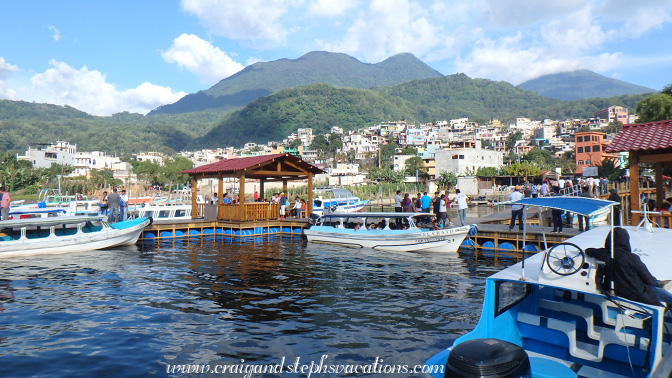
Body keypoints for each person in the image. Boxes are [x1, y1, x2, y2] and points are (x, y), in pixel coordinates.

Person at [586, 227, 672, 307]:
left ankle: (658, 282)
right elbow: (649, 281)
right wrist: (653, 283)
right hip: (639, 294)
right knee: (660, 292)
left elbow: (588, 250)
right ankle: (658, 283)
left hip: (616, 290)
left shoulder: (603, 254)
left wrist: (604, 251)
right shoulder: (632, 258)